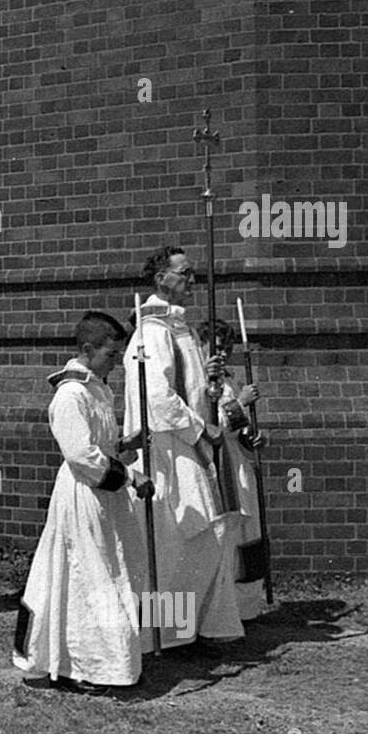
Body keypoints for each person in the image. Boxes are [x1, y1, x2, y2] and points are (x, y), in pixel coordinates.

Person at [14, 313, 154, 694]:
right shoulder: (71, 394)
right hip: (82, 494)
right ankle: (86, 666)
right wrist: (129, 475)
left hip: (105, 496)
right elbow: (80, 454)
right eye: (111, 353)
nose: (116, 360)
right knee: (90, 576)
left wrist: (125, 447)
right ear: (88, 350)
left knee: (113, 568)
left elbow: (100, 446)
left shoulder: (97, 389)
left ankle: (107, 661)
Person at [122, 246, 244, 653]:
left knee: (199, 538)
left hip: (186, 445)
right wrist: (200, 428)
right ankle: (162, 634)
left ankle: (182, 630)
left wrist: (205, 378)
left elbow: (187, 388)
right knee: (177, 540)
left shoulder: (182, 330)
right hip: (164, 449)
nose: (192, 281)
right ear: (161, 279)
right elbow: (155, 397)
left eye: (192, 274)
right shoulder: (152, 331)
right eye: (185, 274)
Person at [197, 321, 267, 622]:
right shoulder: (199, 381)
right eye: (216, 348)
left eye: (227, 349)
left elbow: (236, 429)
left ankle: (244, 609)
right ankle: (215, 613)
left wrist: (251, 437)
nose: (222, 354)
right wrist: (240, 403)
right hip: (211, 463)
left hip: (236, 463)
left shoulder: (229, 380)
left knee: (247, 533)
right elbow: (207, 424)